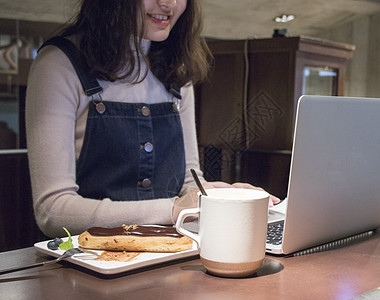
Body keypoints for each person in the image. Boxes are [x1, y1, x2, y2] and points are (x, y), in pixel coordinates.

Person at [26, 0, 279, 238]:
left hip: (167, 256)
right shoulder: (59, 63)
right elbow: (52, 210)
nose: (168, 3)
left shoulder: (176, 70)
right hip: (85, 266)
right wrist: (173, 209)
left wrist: (220, 195)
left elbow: (188, 181)